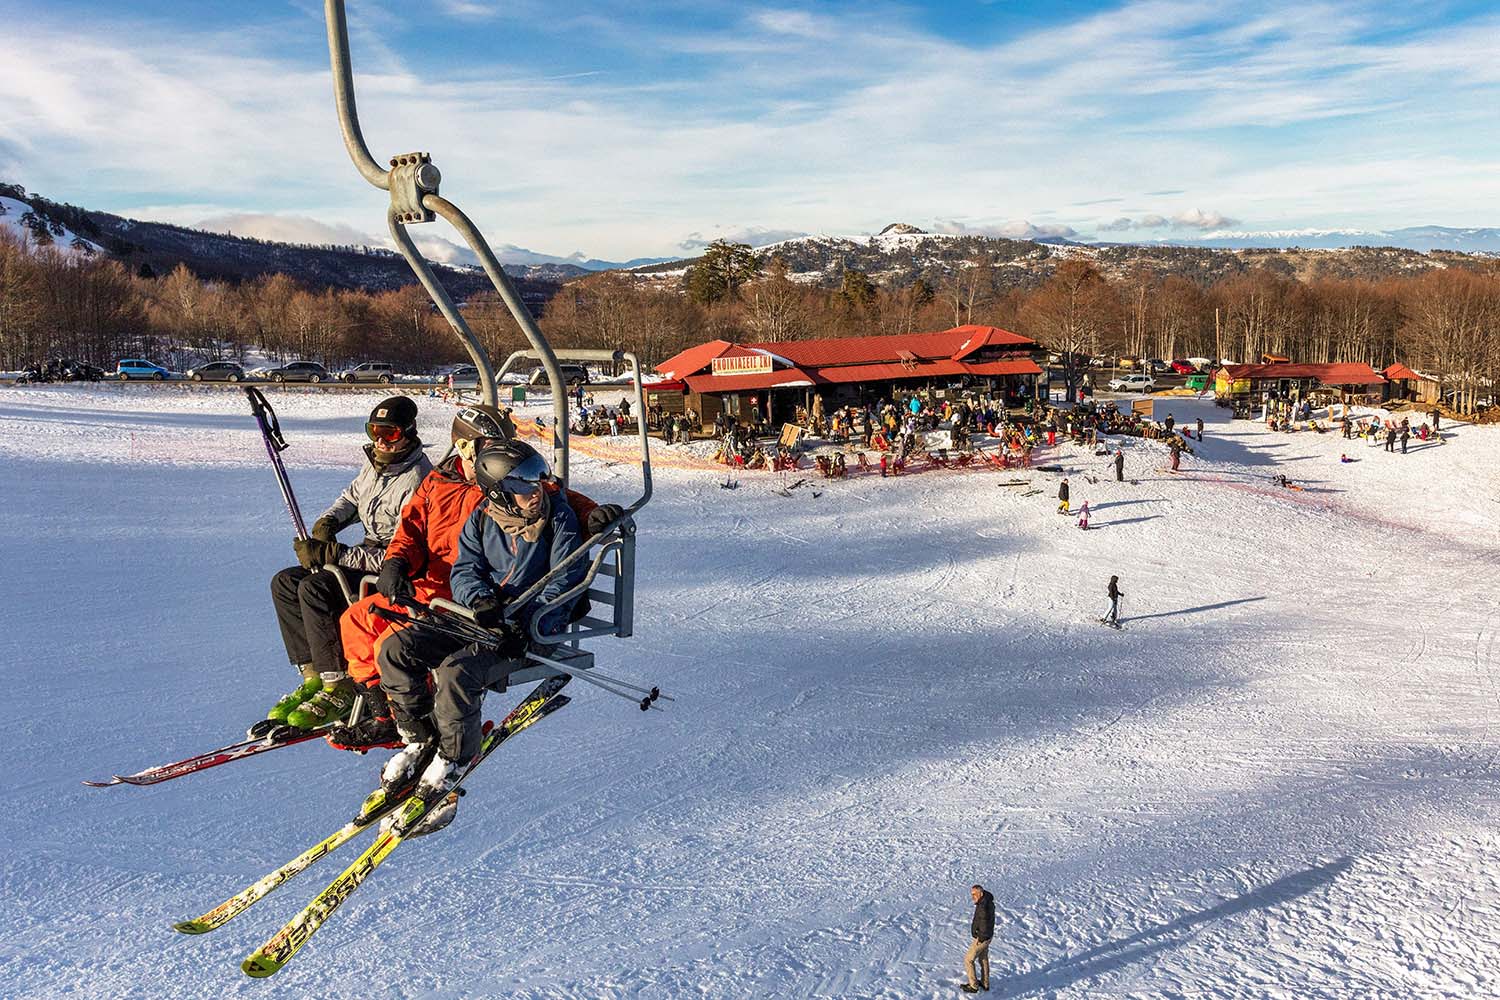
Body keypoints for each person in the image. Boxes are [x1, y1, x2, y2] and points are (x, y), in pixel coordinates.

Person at [378, 440, 588, 797]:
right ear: (499, 493)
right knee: (396, 648)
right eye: (522, 487)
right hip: (481, 620)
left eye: (536, 483)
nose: (535, 493)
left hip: (525, 631)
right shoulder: (483, 517)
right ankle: (420, 738)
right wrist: (481, 600)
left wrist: (528, 626)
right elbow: (465, 570)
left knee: (457, 673)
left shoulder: (558, 520)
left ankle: (454, 759)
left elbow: (565, 583)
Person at [330, 404, 511, 747]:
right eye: (487, 452)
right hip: (426, 587)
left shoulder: (503, 482)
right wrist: (396, 562)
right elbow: (409, 529)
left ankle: (419, 721)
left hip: (463, 595)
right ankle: (383, 713)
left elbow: (550, 491)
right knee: (356, 620)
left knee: (390, 645)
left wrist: (591, 513)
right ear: (465, 449)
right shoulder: (439, 480)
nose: (494, 461)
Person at [263, 396, 432, 732]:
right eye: (374, 431)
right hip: (366, 552)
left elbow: (401, 552)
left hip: (392, 565)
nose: (381, 441)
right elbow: (353, 498)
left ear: (409, 433)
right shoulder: (375, 464)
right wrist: (329, 522)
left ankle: (338, 683)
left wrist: (335, 555)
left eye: (391, 433)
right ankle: (313, 673)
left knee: (317, 587)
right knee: (285, 582)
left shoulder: (419, 480)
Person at [962, 884, 994, 994]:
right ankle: (985, 983)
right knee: (983, 958)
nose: (973, 896)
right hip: (987, 936)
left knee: (968, 960)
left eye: (974, 894)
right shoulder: (985, 901)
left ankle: (973, 986)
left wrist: (980, 937)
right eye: (972, 894)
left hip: (982, 938)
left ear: (980, 893)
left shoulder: (983, 906)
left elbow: (984, 922)